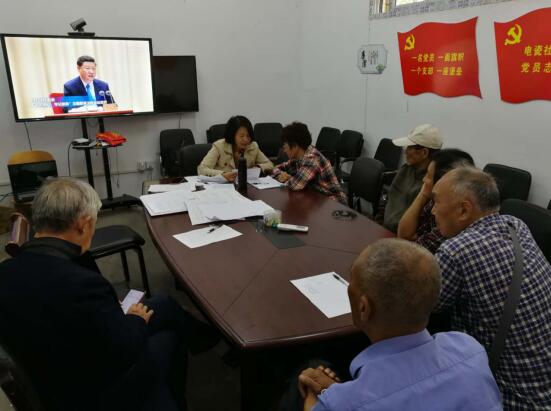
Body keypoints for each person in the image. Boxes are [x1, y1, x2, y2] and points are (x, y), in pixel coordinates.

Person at [0, 178, 218, 411]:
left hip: (49, 367)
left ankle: (204, 336)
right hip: (92, 391)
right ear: (83, 224)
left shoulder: (5, 272)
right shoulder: (83, 285)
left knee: (164, 303)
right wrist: (136, 319)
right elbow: (126, 347)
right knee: (170, 337)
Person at [280, 239, 502, 411]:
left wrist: (316, 394)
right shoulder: (470, 349)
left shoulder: (344, 404)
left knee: (307, 370)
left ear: (364, 308)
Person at [431, 167, 551, 410]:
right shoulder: (516, 225)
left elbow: (421, 309)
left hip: (512, 396)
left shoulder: (456, 251)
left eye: (436, 202)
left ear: (464, 210)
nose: (433, 210)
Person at [397, 148, 474, 253]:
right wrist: (423, 195)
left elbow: (412, 249)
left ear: (444, 181)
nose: (424, 179)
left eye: (428, 175)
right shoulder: (434, 201)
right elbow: (404, 235)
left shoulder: (452, 213)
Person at [383, 124, 442, 233]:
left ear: (424, 153)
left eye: (409, 147)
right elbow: (389, 199)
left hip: (402, 236)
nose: (405, 152)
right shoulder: (406, 169)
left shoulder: (433, 185)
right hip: (384, 229)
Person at [272, 122, 347, 204]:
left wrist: (286, 178)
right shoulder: (300, 156)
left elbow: (295, 185)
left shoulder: (312, 159)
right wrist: (281, 175)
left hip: (334, 202)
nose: (284, 150)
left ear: (295, 146)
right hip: (316, 198)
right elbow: (276, 168)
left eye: (285, 146)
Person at [198, 115, 274, 182]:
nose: (246, 139)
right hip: (223, 188)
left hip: (245, 187)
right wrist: (222, 174)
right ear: (232, 135)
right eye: (242, 136)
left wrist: (258, 167)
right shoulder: (219, 146)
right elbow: (202, 169)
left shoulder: (253, 146)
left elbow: (270, 165)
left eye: (248, 136)